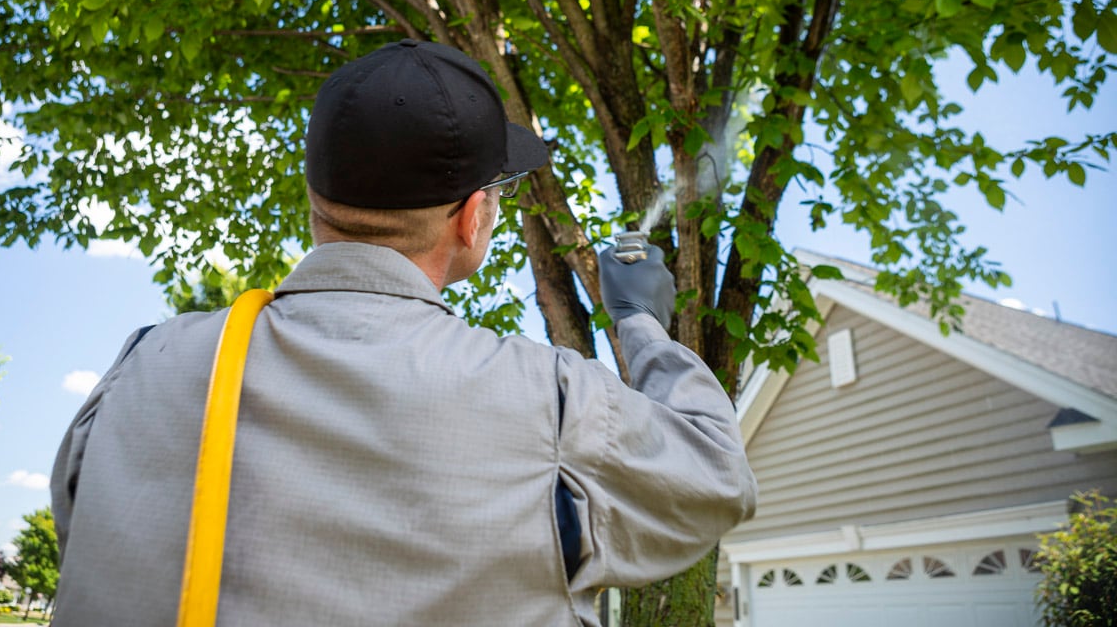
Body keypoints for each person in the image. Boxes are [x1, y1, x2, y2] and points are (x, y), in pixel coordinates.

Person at [49, 39, 756, 626]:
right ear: (472, 216)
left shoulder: (144, 365)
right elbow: (715, 477)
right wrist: (641, 327)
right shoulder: (549, 399)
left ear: (315, 198)